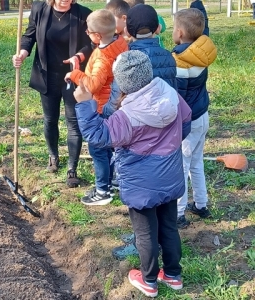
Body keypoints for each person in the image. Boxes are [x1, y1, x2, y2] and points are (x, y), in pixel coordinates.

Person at [73, 50, 192, 298]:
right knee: (169, 226)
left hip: (141, 184)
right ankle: (173, 275)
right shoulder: (170, 94)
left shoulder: (126, 117)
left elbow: (98, 136)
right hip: (170, 175)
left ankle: (148, 280)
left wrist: (85, 103)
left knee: (145, 232)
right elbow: (186, 121)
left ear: (122, 83)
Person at [111, 4, 178, 260]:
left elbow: (118, 99)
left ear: (127, 29)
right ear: (158, 27)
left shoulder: (128, 60)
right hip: (165, 134)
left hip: (138, 135)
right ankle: (152, 239)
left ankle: (142, 242)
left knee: (143, 195)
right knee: (161, 191)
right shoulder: (167, 56)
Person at [12, 0, 92, 188]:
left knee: (73, 122)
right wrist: (22, 54)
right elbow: (29, 36)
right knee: (50, 119)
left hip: (73, 76)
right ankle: (53, 156)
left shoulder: (83, 14)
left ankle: (72, 169)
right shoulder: (40, 10)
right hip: (46, 75)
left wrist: (78, 56)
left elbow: (91, 44)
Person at [65, 9, 128, 205]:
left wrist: (75, 74)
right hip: (116, 103)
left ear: (97, 35)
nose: (87, 34)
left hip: (102, 107)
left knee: (98, 150)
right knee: (110, 147)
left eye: (89, 32)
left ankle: (103, 191)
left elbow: (92, 85)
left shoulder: (102, 57)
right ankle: (111, 181)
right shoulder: (120, 43)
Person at [171, 8, 217, 228]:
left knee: (181, 166)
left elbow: (178, 99)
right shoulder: (202, 53)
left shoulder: (181, 62)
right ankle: (201, 204)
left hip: (188, 122)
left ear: (180, 33)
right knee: (196, 163)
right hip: (203, 115)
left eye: (173, 28)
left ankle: (179, 213)